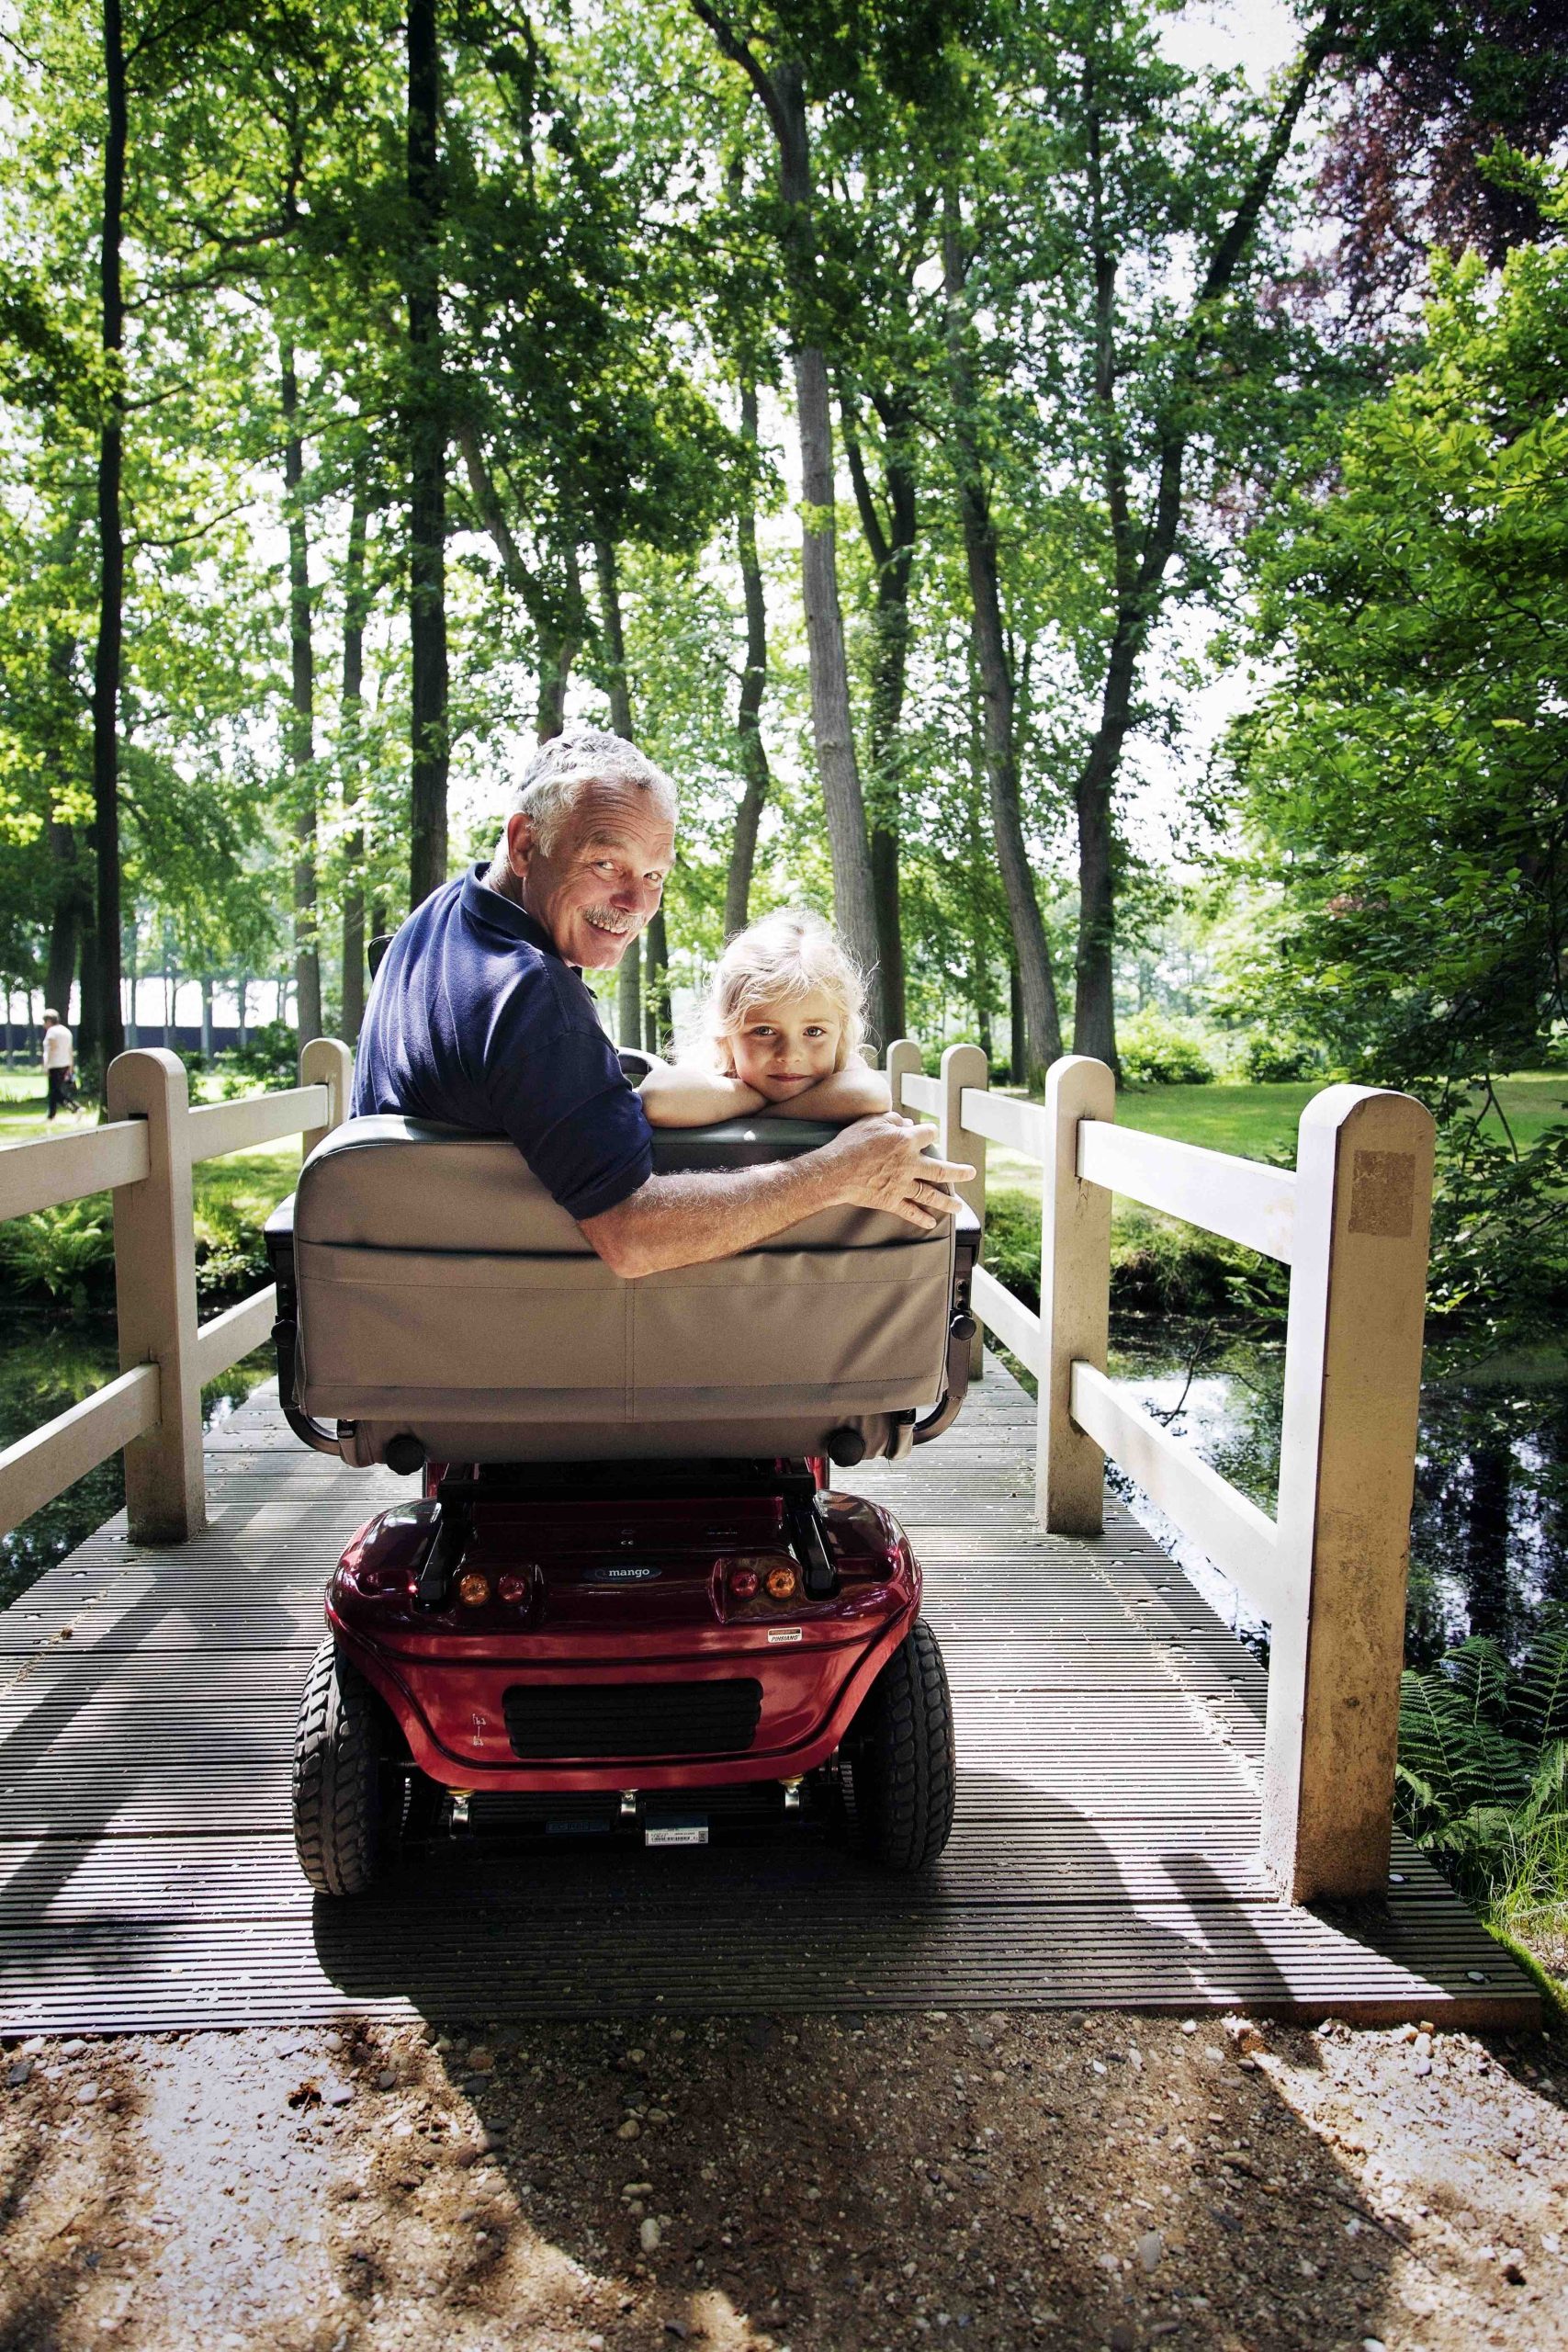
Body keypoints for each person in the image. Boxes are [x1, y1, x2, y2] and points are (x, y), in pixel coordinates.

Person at [353, 727, 971, 1277]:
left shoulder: (442, 915)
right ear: (523, 845)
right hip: (517, 1325)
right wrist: (836, 1173)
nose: (634, 904)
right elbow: (632, 1236)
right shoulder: (534, 1001)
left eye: (653, 875)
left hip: (413, 1289)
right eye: (605, 862)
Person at [637, 907, 890, 1128]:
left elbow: (870, 1094)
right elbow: (657, 1099)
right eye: (764, 1031)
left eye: (813, 1031)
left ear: (841, 1033)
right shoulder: (715, 1076)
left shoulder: (844, 1070)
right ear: (725, 1036)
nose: (790, 1055)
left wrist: (764, 1110)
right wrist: (752, 1097)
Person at [40, 1008, 74, 1120]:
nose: (44, 1024)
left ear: (49, 1021)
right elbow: (70, 1050)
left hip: (54, 1064)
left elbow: (52, 1048)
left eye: (45, 1021)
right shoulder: (66, 1031)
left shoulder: (52, 1032)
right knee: (55, 1090)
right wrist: (71, 1066)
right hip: (65, 1064)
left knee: (54, 1092)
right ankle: (51, 1114)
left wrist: (46, 1065)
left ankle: (75, 1107)